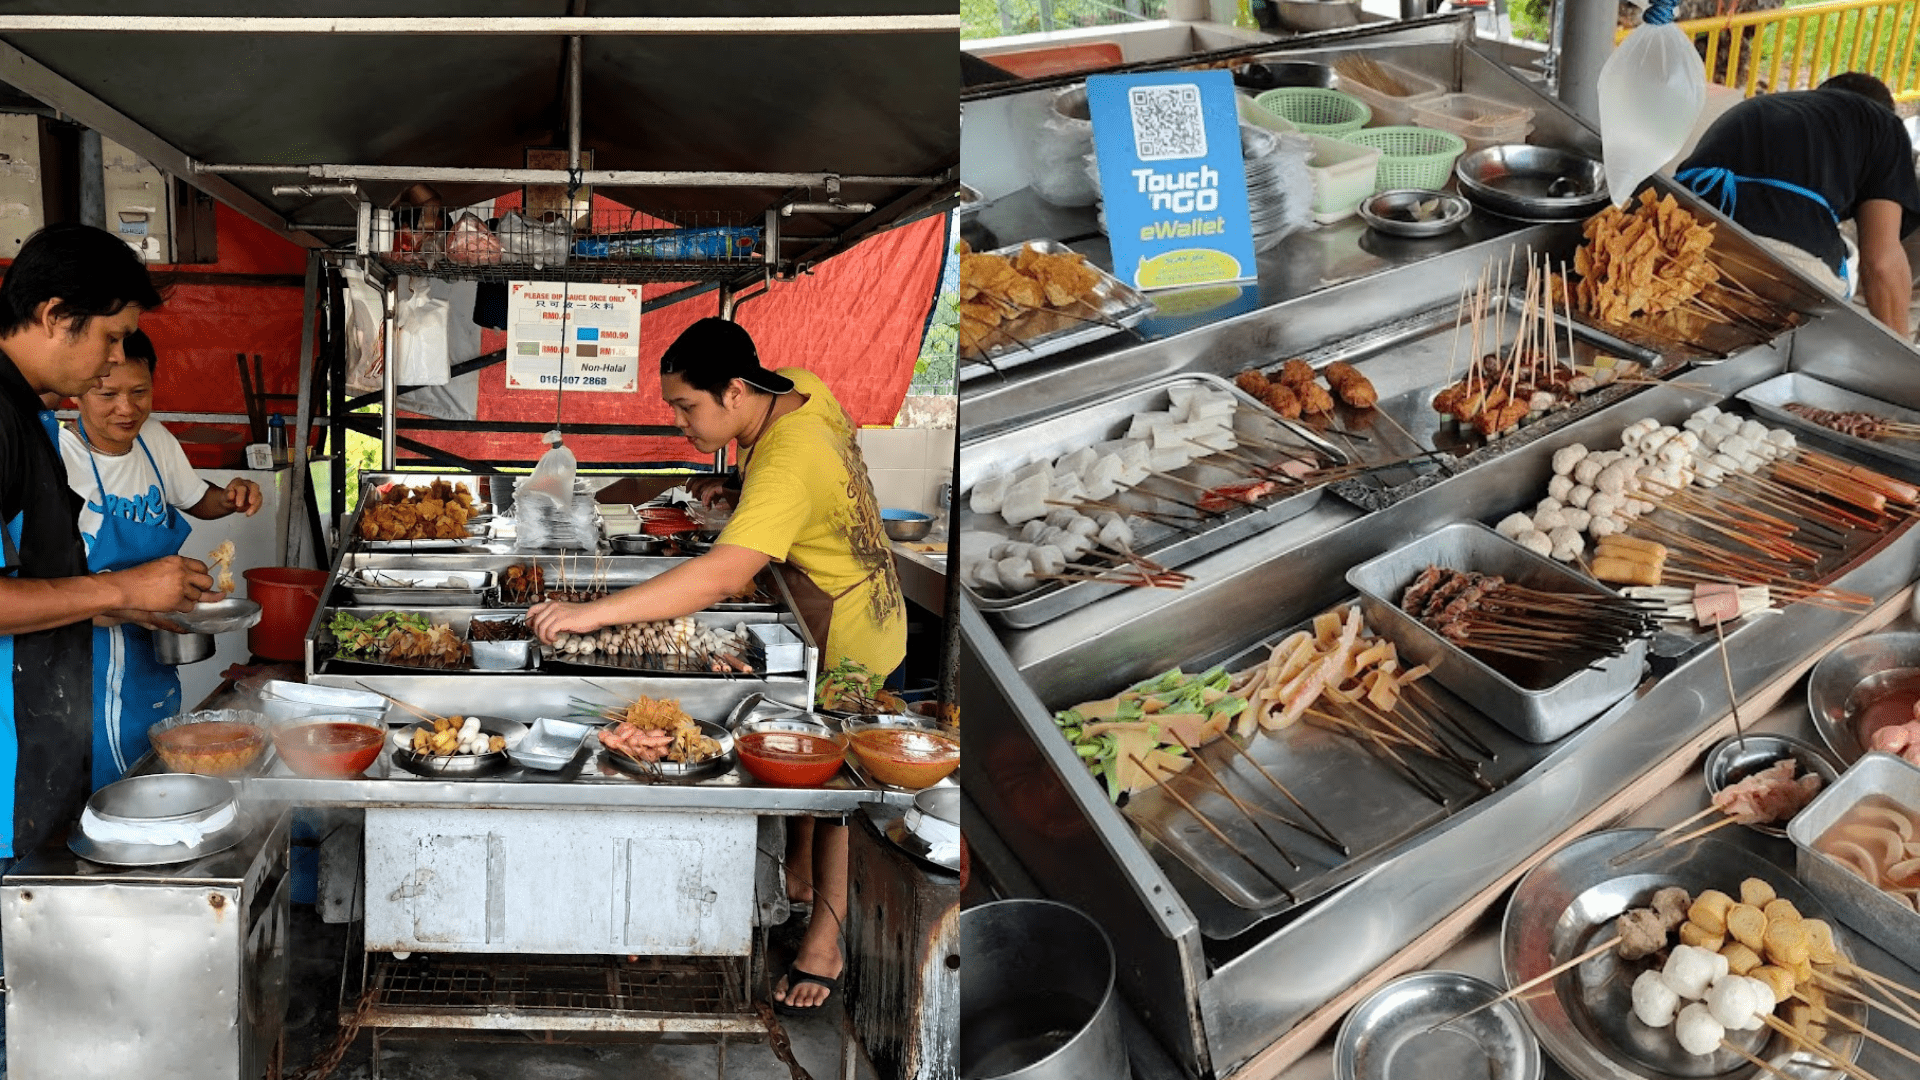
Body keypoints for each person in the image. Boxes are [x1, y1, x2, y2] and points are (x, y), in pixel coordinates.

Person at [530, 317, 905, 1015]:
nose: (679, 424)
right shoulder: (795, 388)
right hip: (827, 596)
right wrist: (745, 498)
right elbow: (803, 487)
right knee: (803, 759)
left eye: (686, 407)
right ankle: (796, 882)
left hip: (848, 631)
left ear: (735, 391)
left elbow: (721, 577)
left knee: (835, 793)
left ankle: (826, 940)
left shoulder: (789, 456)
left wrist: (592, 614)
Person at [59, 330, 263, 789]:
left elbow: (197, 499)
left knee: (156, 752)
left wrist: (231, 497)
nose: (126, 408)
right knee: (107, 774)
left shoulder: (155, 440)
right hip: (88, 652)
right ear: (77, 388)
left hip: (155, 647)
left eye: (139, 392)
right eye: (107, 393)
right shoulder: (60, 457)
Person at [1674, 72, 1920, 340]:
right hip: (1775, 241)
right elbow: (1882, 262)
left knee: (1681, 327)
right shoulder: (1885, 125)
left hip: (1680, 225)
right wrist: (1903, 364)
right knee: (1819, 340)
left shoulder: (1776, 107)